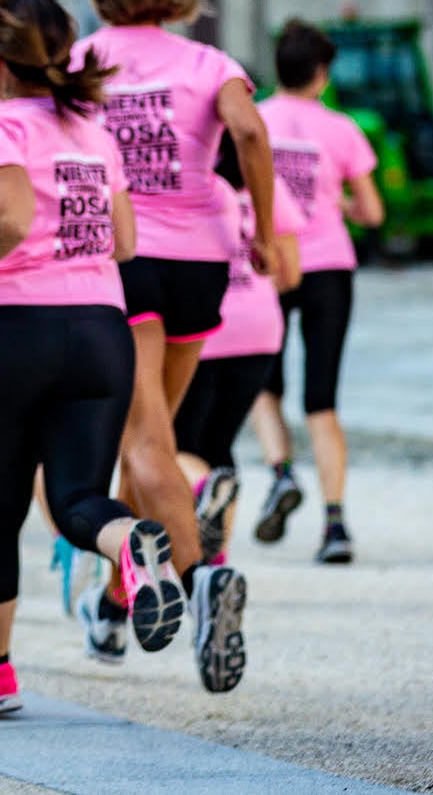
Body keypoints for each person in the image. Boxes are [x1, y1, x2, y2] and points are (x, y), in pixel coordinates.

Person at [0, 0, 181, 716]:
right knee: (77, 501)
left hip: (8, 332)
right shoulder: (94, 131)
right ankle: (130, 543)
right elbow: (125, 240)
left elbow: (11, 216)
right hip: (98, 329)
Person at [70, 0, 273, 693]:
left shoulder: (80, 61)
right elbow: (250, 129)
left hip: (117, 262)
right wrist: (272, 231)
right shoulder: (210, 61)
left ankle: (201, 579)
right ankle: (113, 603)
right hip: (201, 263)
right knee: (147, 439)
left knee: (146, 444)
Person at [250, 20, 385, 563]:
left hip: (272, 263)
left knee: (265, 384)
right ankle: (335, 526)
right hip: (330, 263)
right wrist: (341, 207)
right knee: (322, 400)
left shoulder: (255, 120)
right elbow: (373, 212)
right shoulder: (343, 128)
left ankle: (281, 471)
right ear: (322, 75)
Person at [174, 145, 303, 604]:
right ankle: (216, 565)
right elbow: (290, 275)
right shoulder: (267, 193)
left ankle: (204, 509)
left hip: (203, 330)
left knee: (180, 446)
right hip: (260, 330)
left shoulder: (190, 191)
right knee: (219, 442)